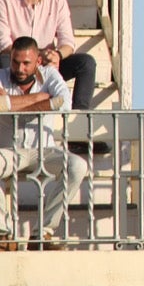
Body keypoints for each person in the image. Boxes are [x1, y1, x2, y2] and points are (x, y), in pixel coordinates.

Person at [0, 38, 88, 249]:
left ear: (38, 61)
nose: (19, 69)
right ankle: (3, 234)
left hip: (44, 150)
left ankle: (43, 234)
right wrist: (41, 99)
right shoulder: (2, 75)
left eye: (26, 63)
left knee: (77, 166)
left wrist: (10, 105)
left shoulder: (49, 74)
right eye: (15, 62)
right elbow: (53, 102)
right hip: (9, 151)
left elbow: (64, 103)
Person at [0, 0, 97, 112]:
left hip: (46, 63)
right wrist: (33, 57)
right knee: (4, 61)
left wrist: (57, 55)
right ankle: (10, 106)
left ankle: (79, 115)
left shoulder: (58, 1)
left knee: (86, 63)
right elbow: (4, 44)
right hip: (17, 62)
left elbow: (68, 42)